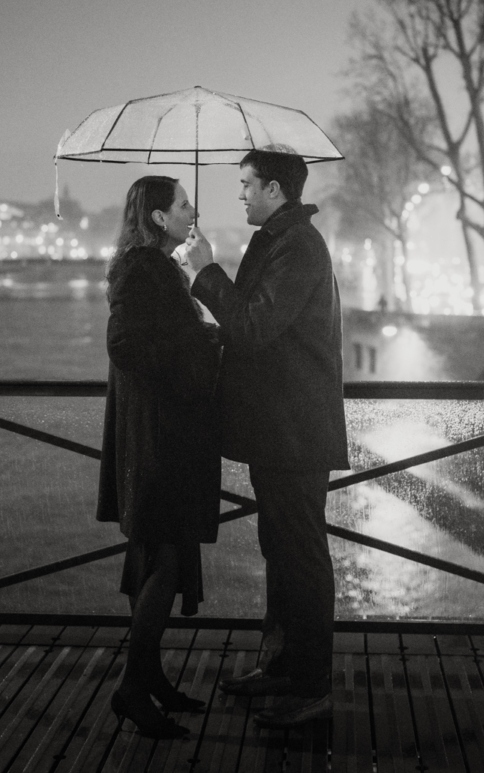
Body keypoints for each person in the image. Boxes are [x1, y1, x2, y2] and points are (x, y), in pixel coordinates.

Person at [183, 147, 349, 729]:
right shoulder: (278, 240)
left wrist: (204, 272)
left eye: (248, 185)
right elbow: (252, 321)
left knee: (301, 556)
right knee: (281, 551)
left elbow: (253, 326)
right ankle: (281, 666)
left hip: (296, 429)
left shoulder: (297, 246)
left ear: (276, 189)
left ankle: (312, 686)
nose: (242, 195)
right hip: (280, 426)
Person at [96, 174, 221, 739]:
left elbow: (160, 334)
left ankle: (150, 679)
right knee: (165, 561)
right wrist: (200, 340)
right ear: (157, 217)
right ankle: (130, 687)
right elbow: (125, 346)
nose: (193, 210)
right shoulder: (143, 269)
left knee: (159, 558)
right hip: (159, 441)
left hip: (162, 436)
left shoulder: (157, 266)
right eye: (184, 204)